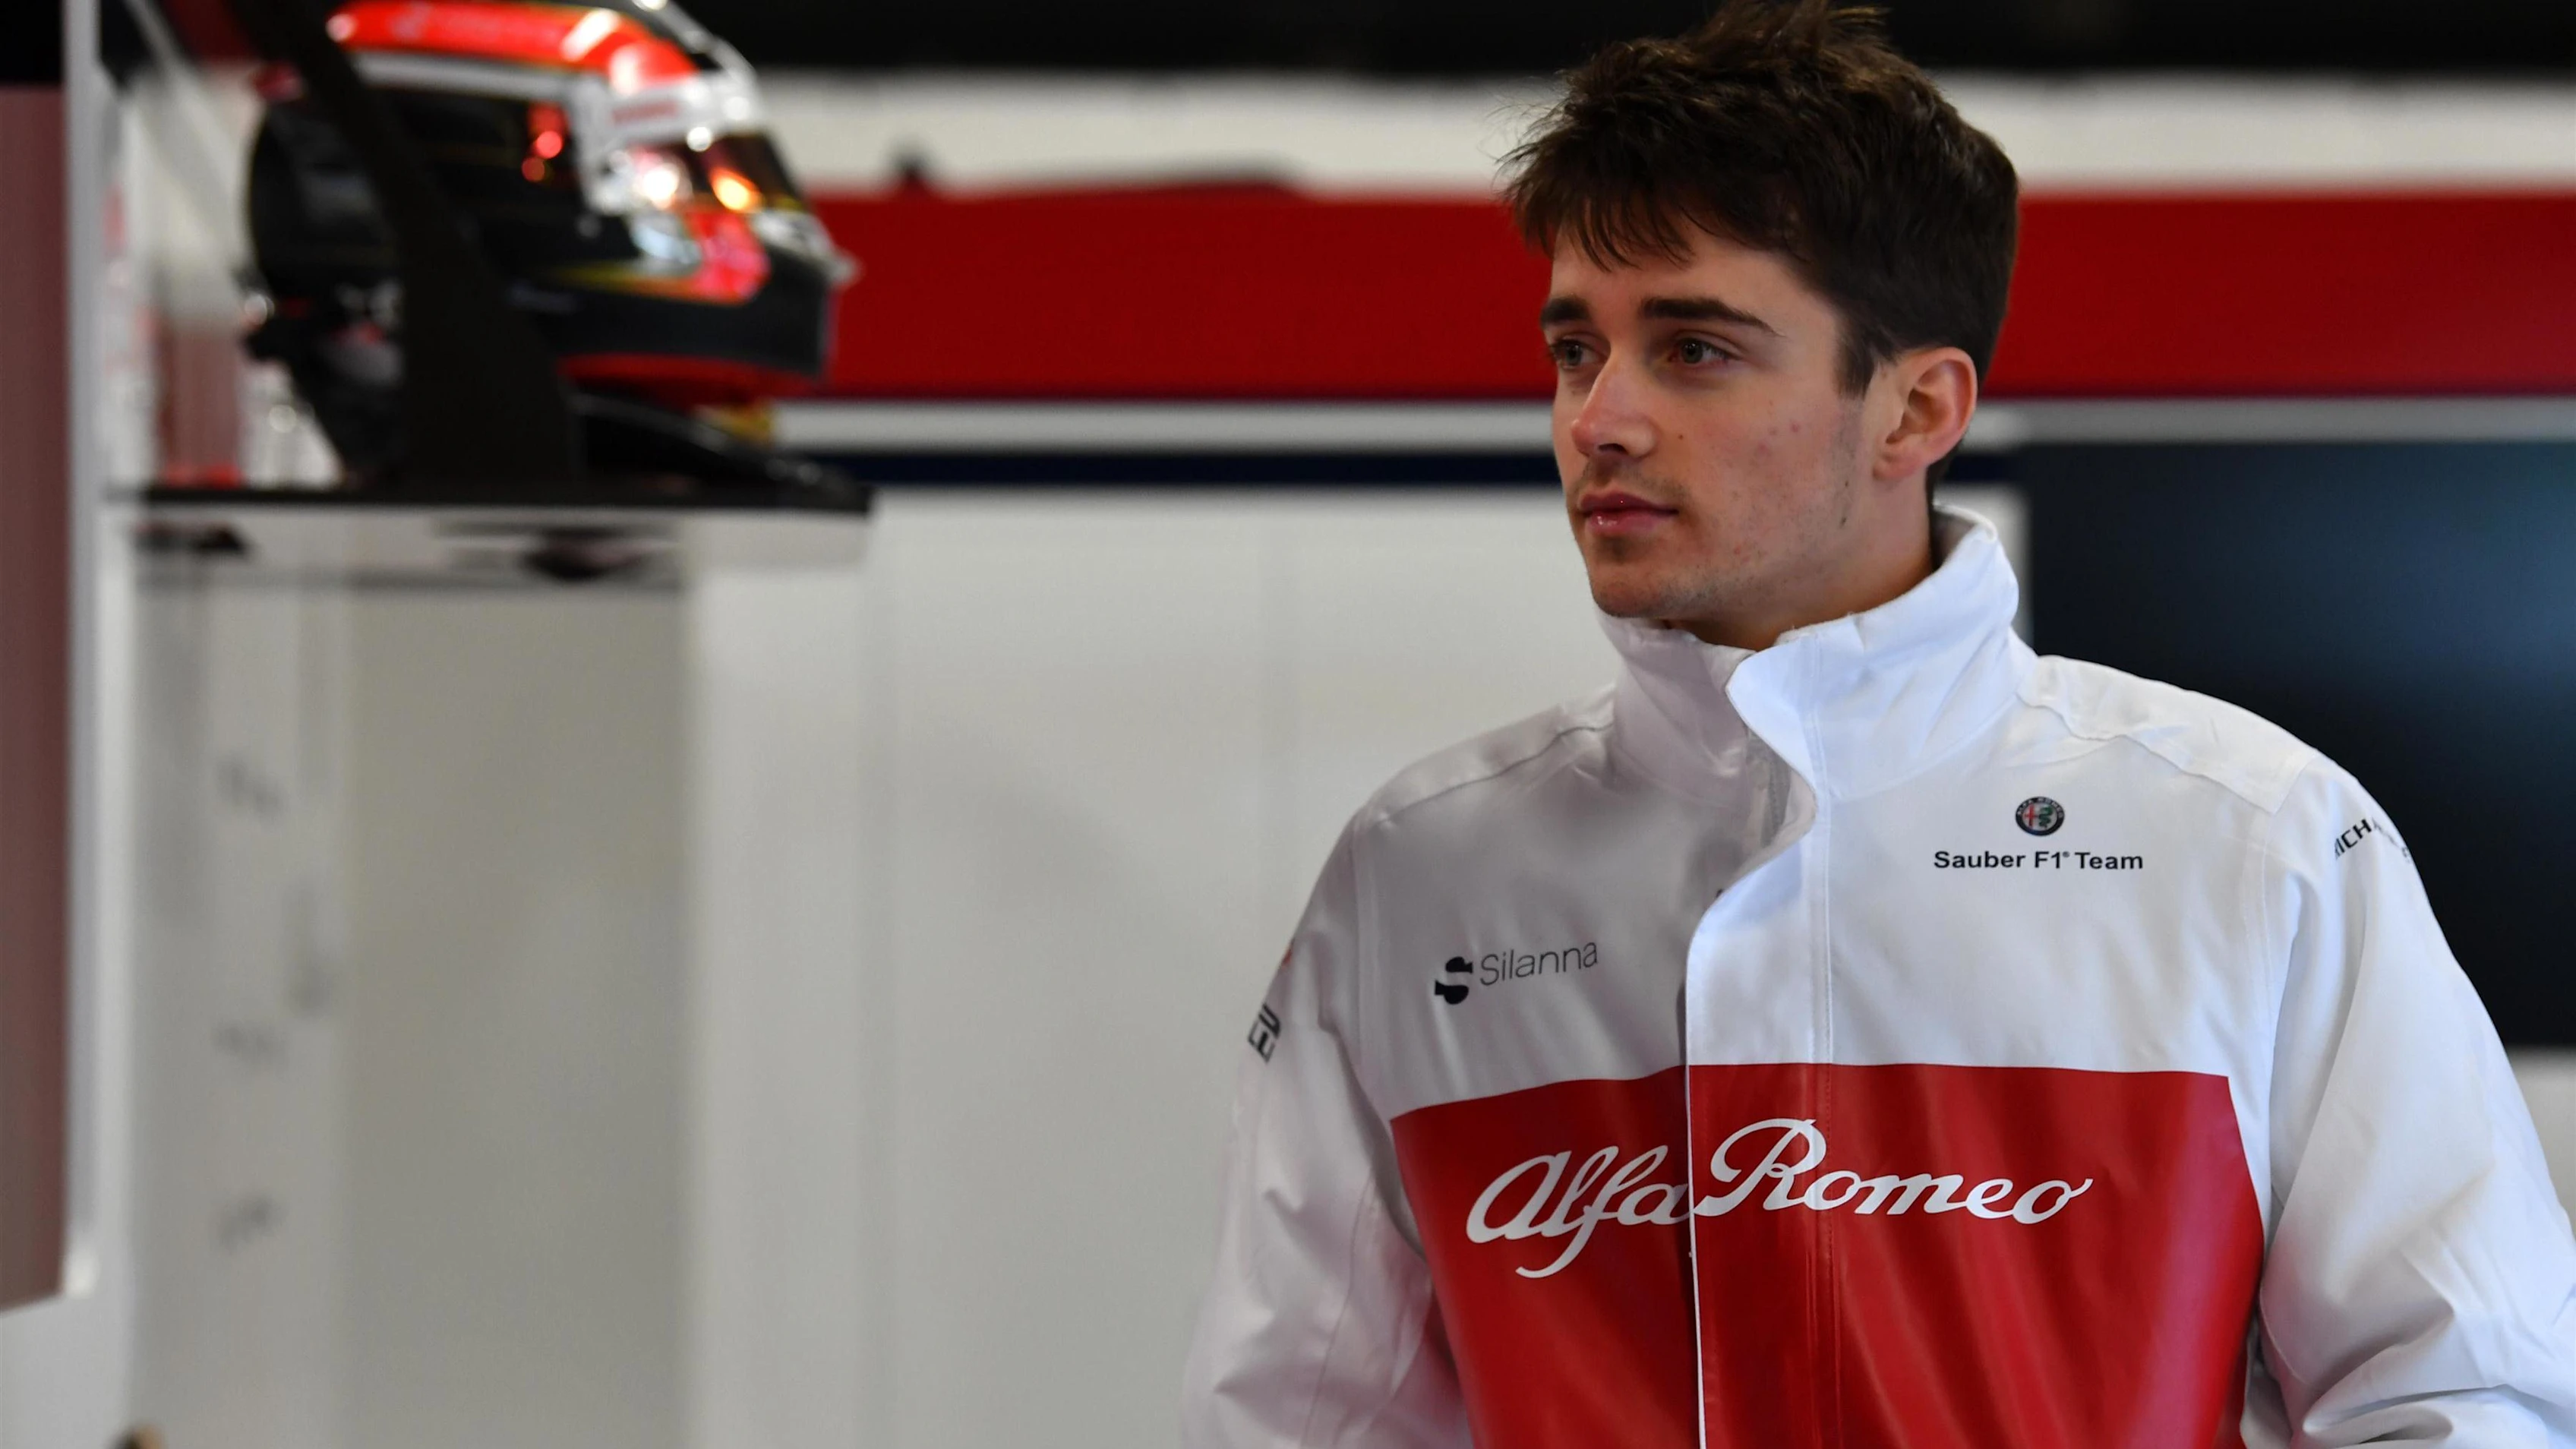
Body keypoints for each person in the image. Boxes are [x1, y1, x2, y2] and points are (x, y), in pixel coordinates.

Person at [1179, 2, 2576, 1444]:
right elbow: (1302, 1420)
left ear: (1915, 411)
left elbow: (2465, 1389)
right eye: (1575, 350)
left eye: (1697, 350)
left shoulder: (2248, 838)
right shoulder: (1422, 877)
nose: (1600, 419)